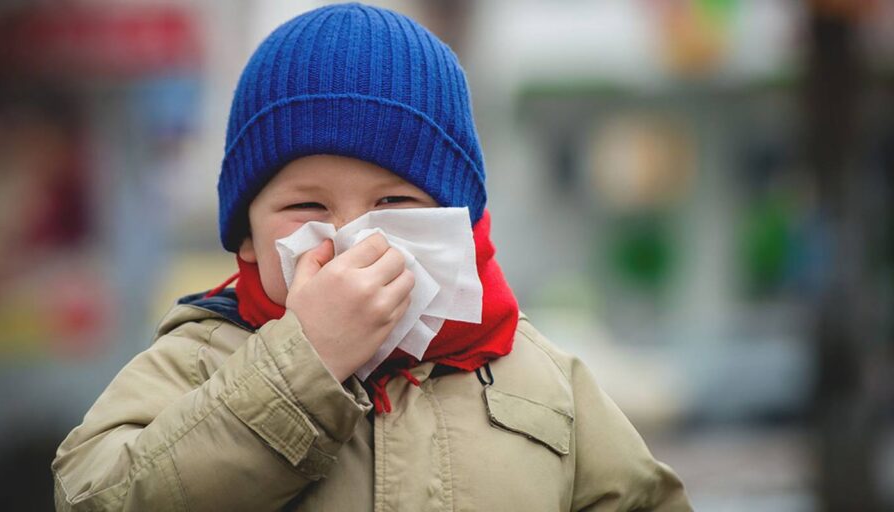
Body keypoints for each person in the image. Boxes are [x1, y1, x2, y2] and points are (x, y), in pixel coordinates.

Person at [52, 3, 691, 510]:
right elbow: (94, 497)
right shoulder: (195, 361)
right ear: (247, 236)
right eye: (307, 208)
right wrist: (305, 363)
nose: (355, 238)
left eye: (393, 202)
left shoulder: (542, 379)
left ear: (459, 226)